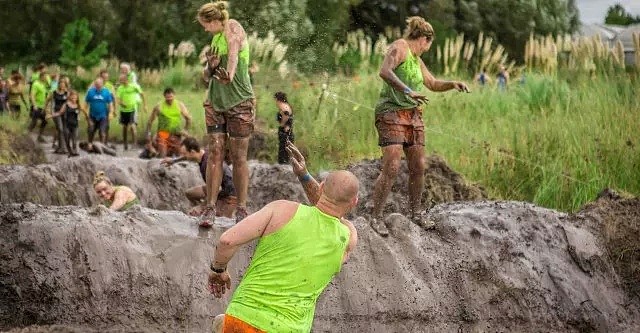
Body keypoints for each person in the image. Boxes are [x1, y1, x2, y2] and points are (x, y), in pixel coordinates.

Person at [207, 141, 358, 332]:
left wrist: (218, 270)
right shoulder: (347, 237)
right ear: (354, 202)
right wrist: (304, 176)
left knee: (221, 323)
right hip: (290, 328)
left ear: (321, 187)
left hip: (243, 319)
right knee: (219, 322)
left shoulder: (281, 209)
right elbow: (331, 212)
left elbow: (227, 241)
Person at [370, 16, 469, 237]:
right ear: (424, 39)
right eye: (428, 45)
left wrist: (452, 83)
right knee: (393, 165)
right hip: (391, 112)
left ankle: (416, 213)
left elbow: (432, 83)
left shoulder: (417, 60)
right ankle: (376, 216)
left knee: (419, 166)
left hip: (413, 116)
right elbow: (384, 72)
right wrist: (407, 90)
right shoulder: (400, 47)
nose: (427, 49)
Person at [197, 1, 256, 225]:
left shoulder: (232, 27)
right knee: (215, 152)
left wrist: (230, 72)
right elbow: (205, 76)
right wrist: (211, 68)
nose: (204, 29)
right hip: (215, 102)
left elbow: (233, 50)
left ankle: (241, 208)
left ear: (214, 21)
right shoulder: (214, 39)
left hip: (239, 102)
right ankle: (209, 207)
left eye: (205, 25)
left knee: (239, 156)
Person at [161, 136, 236, 220]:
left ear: (192, 152)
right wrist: (174, 160)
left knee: (220, 219)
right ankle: (201, 212)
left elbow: (217, 189)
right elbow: (186, 156)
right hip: (216, 187)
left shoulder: (206, 164)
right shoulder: (203, 153)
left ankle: (206, 212)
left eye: (184, 153)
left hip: (228, 194)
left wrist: (202, 206)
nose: (183, 156)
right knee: (190, 193)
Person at [145, 87, 191, 157]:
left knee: (179, 156)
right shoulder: (159, 106)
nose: (170, 99)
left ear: (174, 96)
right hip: (163, 134)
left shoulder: (179, 105)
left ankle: (153, 150)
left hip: (176, 134)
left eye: (171, 97)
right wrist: (148, 135)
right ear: (164, 96)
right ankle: (154, 151)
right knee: (163, 154)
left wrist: (185, 130)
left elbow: (188, 119)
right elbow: (150, 122)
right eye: (168, 98)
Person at [51, 90, 85, 156]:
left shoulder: (78, 105)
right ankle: (70, 152)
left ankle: (75, 151)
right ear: (70, 97)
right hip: (67, 125)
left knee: (74, 140)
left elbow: (83, 111)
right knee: (67, 140)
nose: (74, 99)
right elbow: (60, 113)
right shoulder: (66, 104)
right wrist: (52, 115)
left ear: (77, 98)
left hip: (75, 125)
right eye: (72, 98)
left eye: (75, 98)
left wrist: (84, 117)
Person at [116, 73, 146, 150]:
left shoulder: (133, 86)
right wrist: (121, 104)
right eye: (120, 80)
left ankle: (134, 144)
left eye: (121, 80)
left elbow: (142, 94)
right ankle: (125, 143)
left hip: (132, 109)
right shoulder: (120, 88)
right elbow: (118, 99)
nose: (120, 81)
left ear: (126, 79)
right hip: (123, 110)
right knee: (125, 127)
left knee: (132, 126)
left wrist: (145, 105)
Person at [85, 78, 114, 144]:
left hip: (103, 116)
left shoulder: (106, 92)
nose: (98, 85)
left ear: (102, 84)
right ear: (94, 84)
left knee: (102, 131)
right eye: (96, 84)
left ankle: (102, 146)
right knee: (91, 129)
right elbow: (86, 105)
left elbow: (110, 104)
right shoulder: (90, 92)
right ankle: (90, 144)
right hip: (92, 115)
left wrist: (111, 113)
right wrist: (86, 115)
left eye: (99, 84)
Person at [45, 79, 69, 154]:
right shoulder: (54, 93)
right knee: (60, 129)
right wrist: (47, 110)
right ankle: (63, 148)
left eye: (63, 83)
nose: (62, 85)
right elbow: (48, 100)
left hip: (65, 113)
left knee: (65, 130)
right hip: (56, 113)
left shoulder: (67, 93)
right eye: (61, 83)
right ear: (58, 84)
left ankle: (60, 147)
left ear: (65, 85)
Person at [274, 91, 294, 164]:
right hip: (286, 130)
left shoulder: (283, 107)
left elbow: (286, 115)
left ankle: (283, 164)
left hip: (285, 131)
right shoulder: (286, 105)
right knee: (284, 149)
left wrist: (283, 124)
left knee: (283, 150)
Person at [29, 71, 49, 142]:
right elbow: (32, 95)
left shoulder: (43, 84)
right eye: (45, 76)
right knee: (34, 121)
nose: (46, 78)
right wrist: (34, 105)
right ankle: (27, 134)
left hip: (42, 106)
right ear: (41, 77)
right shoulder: (36, 84)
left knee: (45, 121)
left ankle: (40, 136)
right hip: (37, 106)